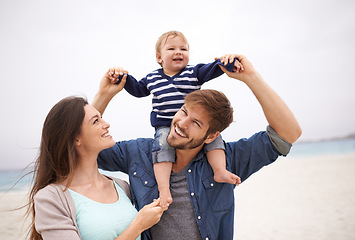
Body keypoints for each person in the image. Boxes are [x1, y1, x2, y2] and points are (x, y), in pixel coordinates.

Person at [93, 54, 302, 240]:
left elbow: (288, 133)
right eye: (184, 111)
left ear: (211, 136)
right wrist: (104, 95)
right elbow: (79, 147)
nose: (182, 123)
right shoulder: (139, 153)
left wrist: (251, 77)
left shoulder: (228, 160)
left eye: (196, 123)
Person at [111, 30, 243, 207]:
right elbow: (138, 90)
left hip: (193, 125)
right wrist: (122, 77)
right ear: (159, 57)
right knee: (162, 149)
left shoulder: (193, 73)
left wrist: (226, 61)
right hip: (165, 125)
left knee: (215, 139)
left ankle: (220, 170)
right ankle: (164, 189)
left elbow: (213, 69)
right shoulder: (152, 78)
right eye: (171, 48)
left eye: (184, 49)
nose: (178, 52)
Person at [27, 92, 165, 240]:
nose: (106, 124)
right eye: (95, 121)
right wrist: (138, 225)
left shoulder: (121, 186)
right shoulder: (50, 199)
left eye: (101, 118)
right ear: (76, 139)